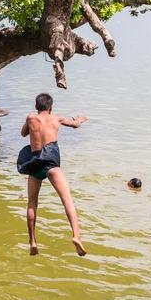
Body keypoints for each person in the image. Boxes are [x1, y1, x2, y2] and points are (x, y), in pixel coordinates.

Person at [18, 93, 88, 257]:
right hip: (51, 162)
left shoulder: (30, 118)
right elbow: (75, 124)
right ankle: (76, 236)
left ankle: (33, 242)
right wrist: (80, 120)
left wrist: (31, 123)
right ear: (51, 107)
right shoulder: (56, 118)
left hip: (34, 163)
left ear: (36, 107)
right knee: (67, 200)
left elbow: (23, 134)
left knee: (32, 204)